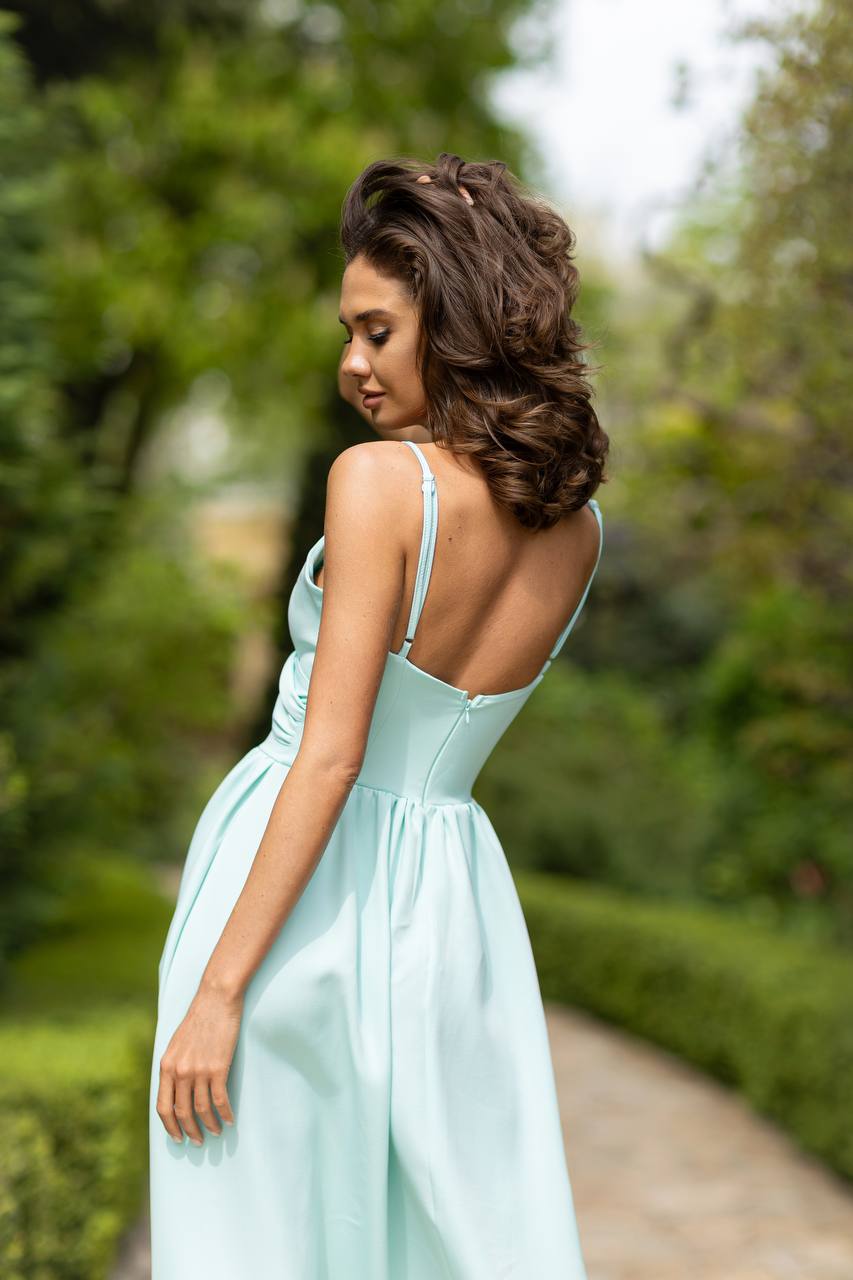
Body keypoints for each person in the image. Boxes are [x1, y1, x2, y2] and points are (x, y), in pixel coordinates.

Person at [149, 151, 609, 1279]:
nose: (352, 363)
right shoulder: (577, 528)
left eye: (378, 331)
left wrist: (219, 989)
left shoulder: (376, 484)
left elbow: (330, 756)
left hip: (300, 899)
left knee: (259, 1239)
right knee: (434, 1240)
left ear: (451, 321)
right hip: (453, 913)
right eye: (349, 334)